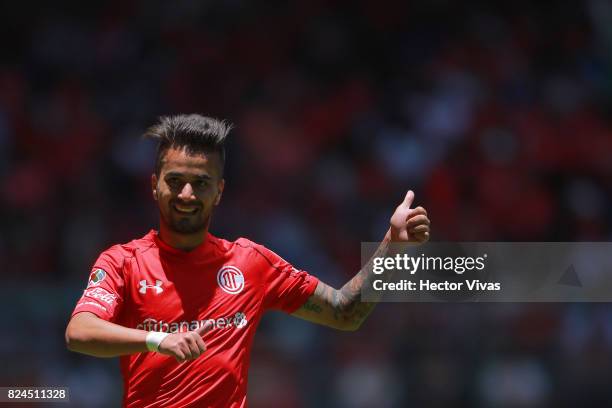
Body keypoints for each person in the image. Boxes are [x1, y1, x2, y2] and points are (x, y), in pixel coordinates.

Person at [65, 114, 431, 407]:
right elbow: (80, 332)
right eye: (175, 180)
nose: (187, 194)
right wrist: (157, 340)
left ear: (219, 191)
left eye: (201, 182)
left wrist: (392, 247)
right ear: (154, 184)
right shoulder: (123, 261)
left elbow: (345, 312)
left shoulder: (251, 262)